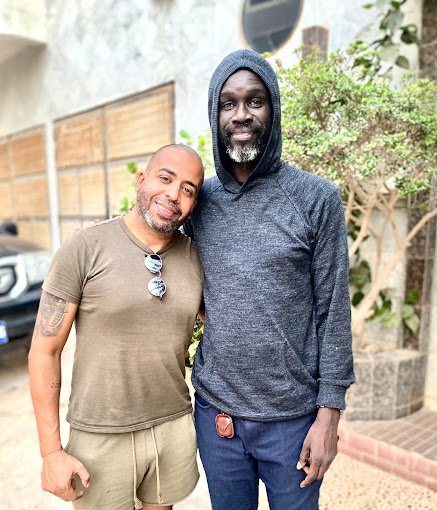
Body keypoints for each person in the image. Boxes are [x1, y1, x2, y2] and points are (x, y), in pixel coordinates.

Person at [184, 49, 355, 509]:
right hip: (218, 417)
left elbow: (333, 309)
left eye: (254, 101)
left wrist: (330, 414)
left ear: (273, 109)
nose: (241, 115)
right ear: (215, 114)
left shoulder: (316, 198)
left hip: (293, 421)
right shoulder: (200, 202)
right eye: (228, 103)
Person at [29, 144, 205, 510]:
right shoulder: (85, 246)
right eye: (165, 178)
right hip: (100, 433)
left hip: (173, 424)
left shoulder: (196, 258)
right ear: (141, 180)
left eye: (187, 189)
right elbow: (45, 350)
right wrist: (50, 452)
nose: (174, 194)